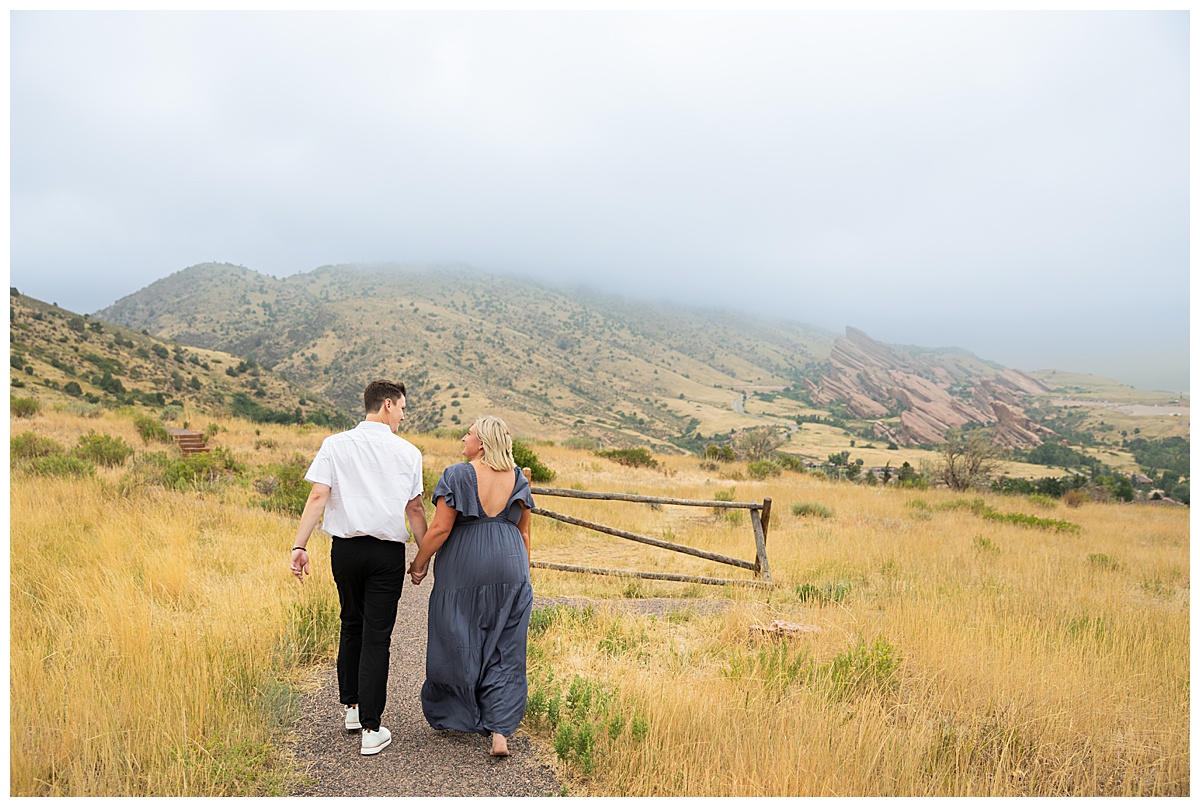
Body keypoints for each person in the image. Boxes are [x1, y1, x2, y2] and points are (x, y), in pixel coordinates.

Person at [290, 380, 428, 757]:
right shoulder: (408, 453)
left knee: (351, 622)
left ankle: (350, 708)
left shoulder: (335, 445)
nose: (403, 415)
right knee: (376, 636)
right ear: (387, 405)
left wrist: (299, 545)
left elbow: (319, 495)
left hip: (345, 551)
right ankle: (371, 728)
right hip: (385, 555)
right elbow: (414, 509)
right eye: (401, 408)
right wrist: (424, 555)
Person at [408, 415, 533, 757]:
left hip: (465, 568)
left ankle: (455, 712)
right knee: (505, 646)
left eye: (469, 433)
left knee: (458, 637)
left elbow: (439, 530)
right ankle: (499, 732)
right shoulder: (519, 476)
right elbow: (523, 532)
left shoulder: (457, 474)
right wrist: (523, 577)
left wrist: (419, 563)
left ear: (482, 443)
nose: (463, 438)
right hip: (511, 565)